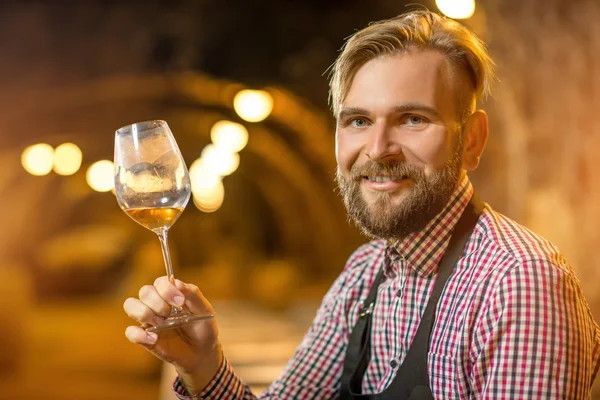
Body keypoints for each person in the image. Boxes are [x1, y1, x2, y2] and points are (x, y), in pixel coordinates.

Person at [123, 10, 600, 399]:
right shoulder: (365, 275)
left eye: (413, 119)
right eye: (357, 121)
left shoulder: (518, 283)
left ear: (472, 141)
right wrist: (204, 366)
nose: (377, 149)